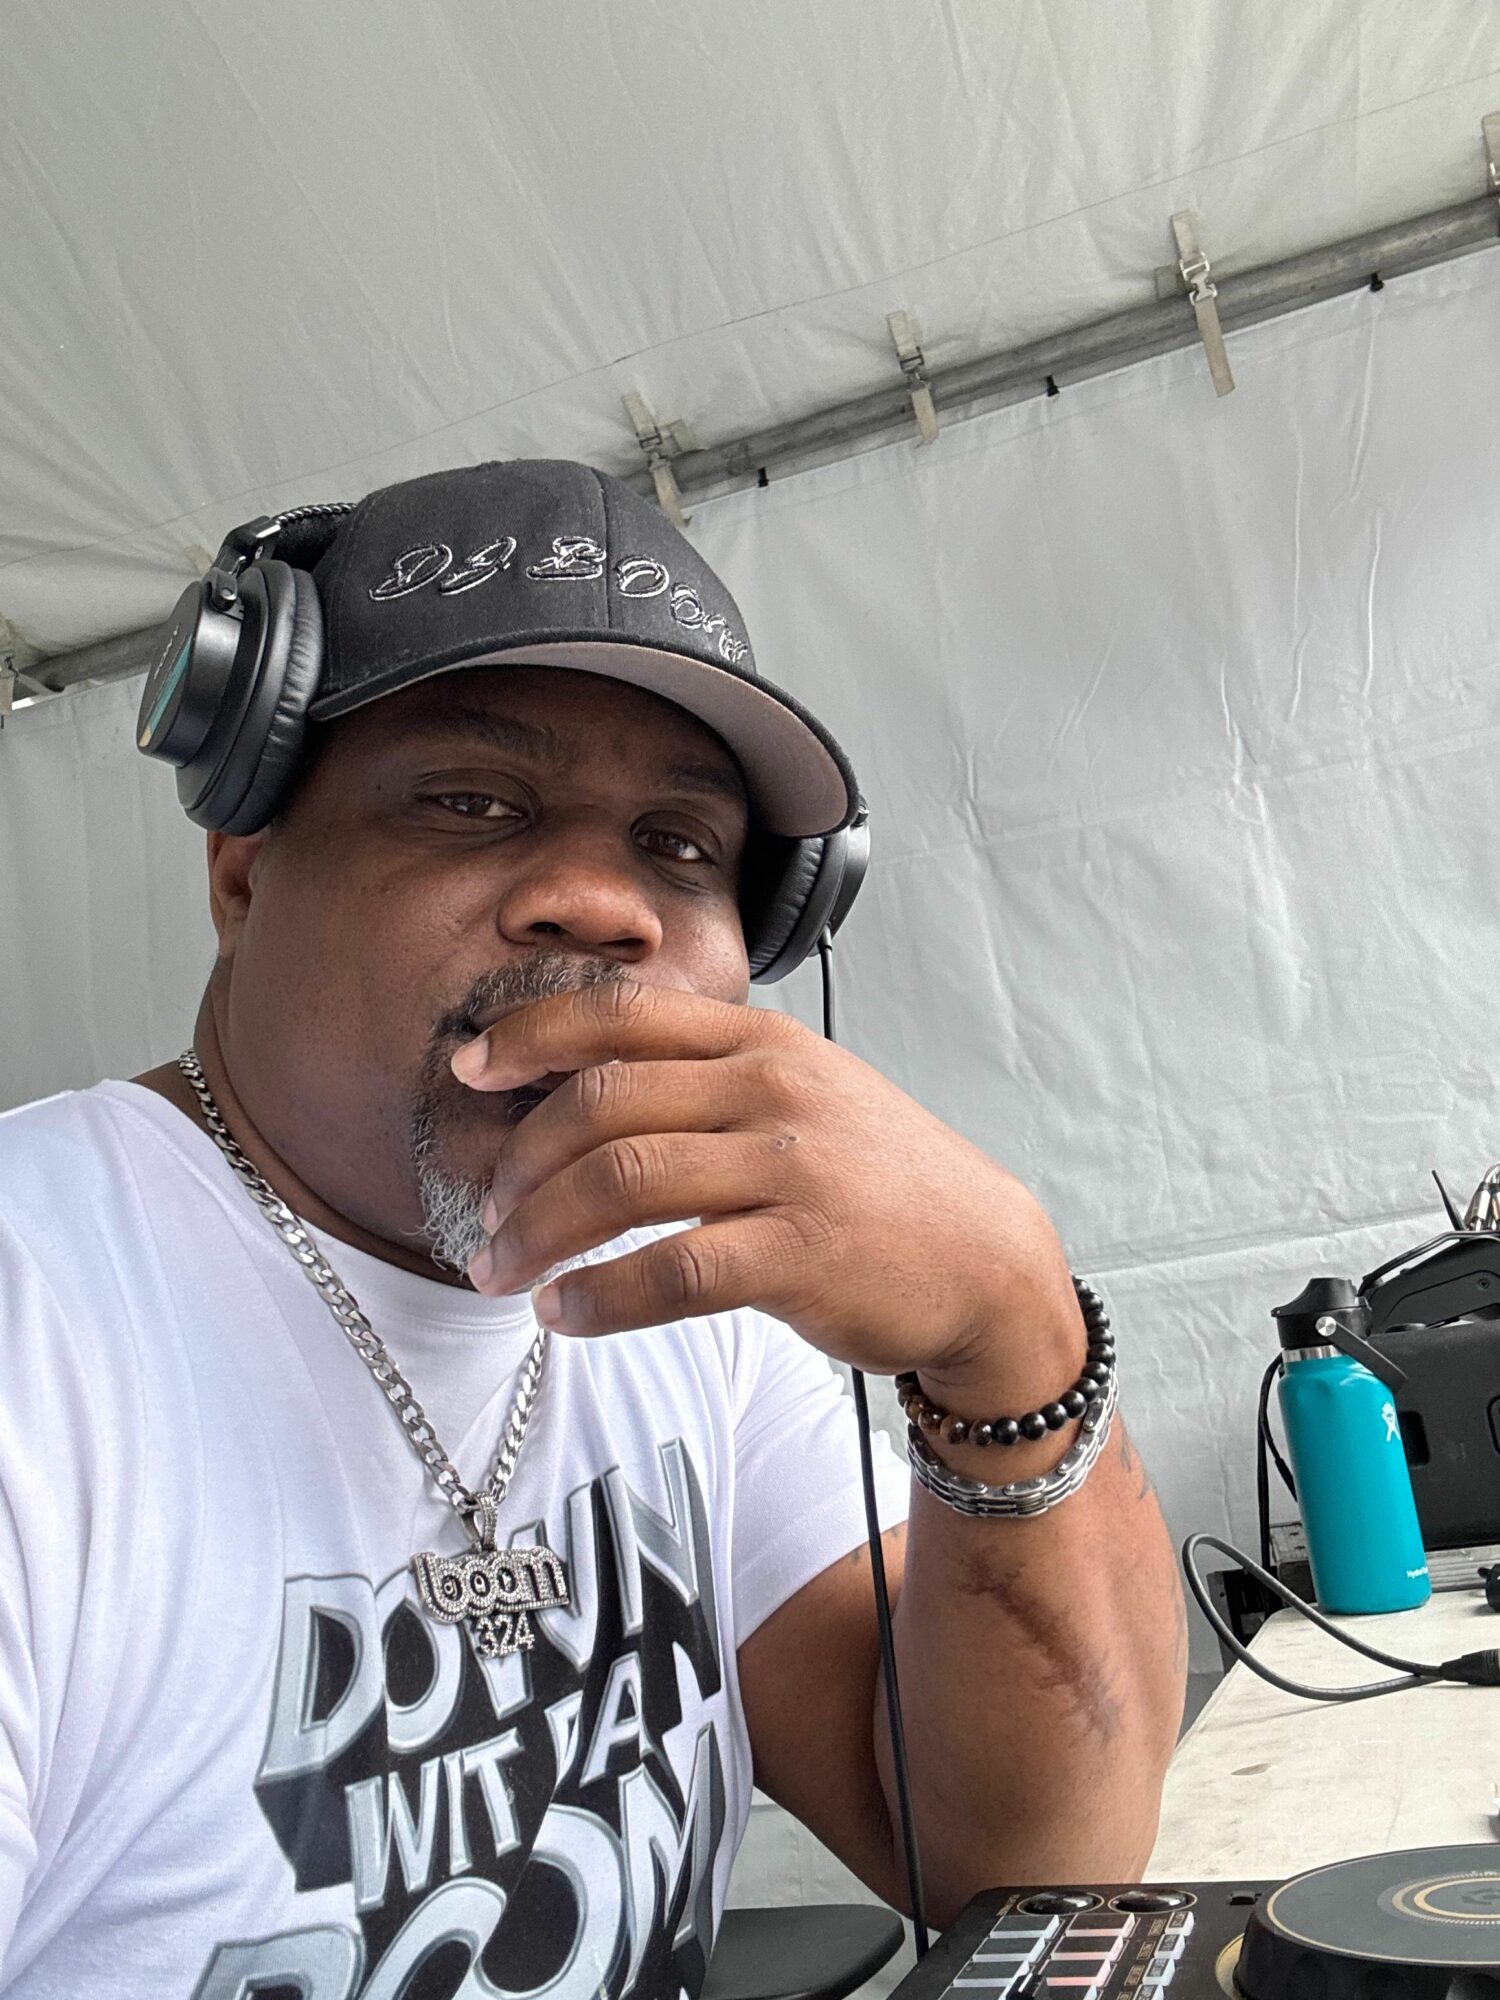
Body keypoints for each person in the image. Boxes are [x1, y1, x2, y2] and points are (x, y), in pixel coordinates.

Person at [0, 459, 1185, 1998]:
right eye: (473, 802)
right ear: (243, 872)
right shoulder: (38, 1311)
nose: (603, 905)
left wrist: (1010, 1334)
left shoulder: (690, 1299)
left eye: (680, 845)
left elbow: (1029, 1864)